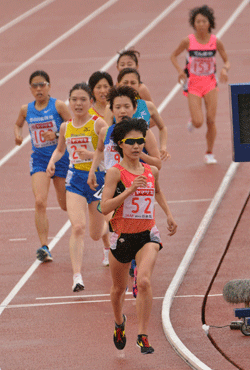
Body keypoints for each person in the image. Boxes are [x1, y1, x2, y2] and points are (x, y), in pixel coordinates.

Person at [100, 117, 177, 354]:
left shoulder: (151, 170)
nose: (136, 146)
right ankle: (119, 322)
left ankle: (142, 334)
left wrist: (169, 214)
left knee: (143, 281)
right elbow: (104, 207)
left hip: (147, 233)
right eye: (130, 141)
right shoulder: (115, 173)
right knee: (117, 289)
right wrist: (130, 191)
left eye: (139, 141)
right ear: (120, 145)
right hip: (122, 235)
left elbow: (158, 191)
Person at [88, 85, 162, 270]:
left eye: (126, 106)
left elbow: (157, 163)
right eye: (118, 107)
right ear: (111, 109)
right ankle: (129, 257)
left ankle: (136, 260)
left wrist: (137, 152)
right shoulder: (105, 132)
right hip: (113, 186)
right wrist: (92, 170)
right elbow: (99, 151)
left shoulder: (144, 132)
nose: (122, 111)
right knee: (111, 221)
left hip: (138, 187)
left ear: (134, 108)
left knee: (134, 228)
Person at [46, 83, 110, 291]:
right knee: (78, 227)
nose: (78, 103)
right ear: (69, 102)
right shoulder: (66, 127)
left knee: (95, 233)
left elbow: (110, 152)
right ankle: (77, 277)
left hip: (97, 179)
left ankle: (107, 232)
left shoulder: (98, 124)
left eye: (83, 99)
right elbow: (60, 149)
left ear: (91, 102)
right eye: (74, 99)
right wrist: (52, 162)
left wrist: (91, 156)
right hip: (75, 180)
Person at [14, 70, 72, 262]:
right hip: (39, 159)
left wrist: (56, 136)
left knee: (65, 205)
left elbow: (73, 128)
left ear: (49, 86)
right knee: (40, 201)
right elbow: (18, 124)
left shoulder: (58, 106)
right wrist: (18, 134)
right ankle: (44, 247)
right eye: (35, 85)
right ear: (31, 89)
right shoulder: (26, 109)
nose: (39, 89)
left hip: (60, 158)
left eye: (42, 84)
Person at [170, 5, 230, 164]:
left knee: (211, 120)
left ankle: (209, 152)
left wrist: (224, 69)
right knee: (198, 122)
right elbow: (173, 56)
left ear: (209, 23)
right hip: (193, 84)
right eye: (198, 21)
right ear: (194, 23)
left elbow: (227, 60)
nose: (201, 24)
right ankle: (192, 121)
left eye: (204, 21)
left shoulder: (215, 41)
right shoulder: (188, 41)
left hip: (210, 82)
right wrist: (180, 71)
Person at [104, 68, 169, 161]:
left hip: (144, 157)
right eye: (125, 82)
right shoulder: (111, 108)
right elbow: (106, 136)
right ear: (118, 84)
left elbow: (162, 127)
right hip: (121, 159)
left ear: (139, 85)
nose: (129, 86)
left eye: (133, 83)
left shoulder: (148, 106)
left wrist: (163, 147)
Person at [88, 71, 113, 265]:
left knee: (111, 212)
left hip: (113, 167)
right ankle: (108, 248)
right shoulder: (88, 115)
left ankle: (114, 247)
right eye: (99, 87)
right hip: (96, 169)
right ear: (92, 91)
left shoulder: (117, 108)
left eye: (106, 86)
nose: (103, 91)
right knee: (104, 212)